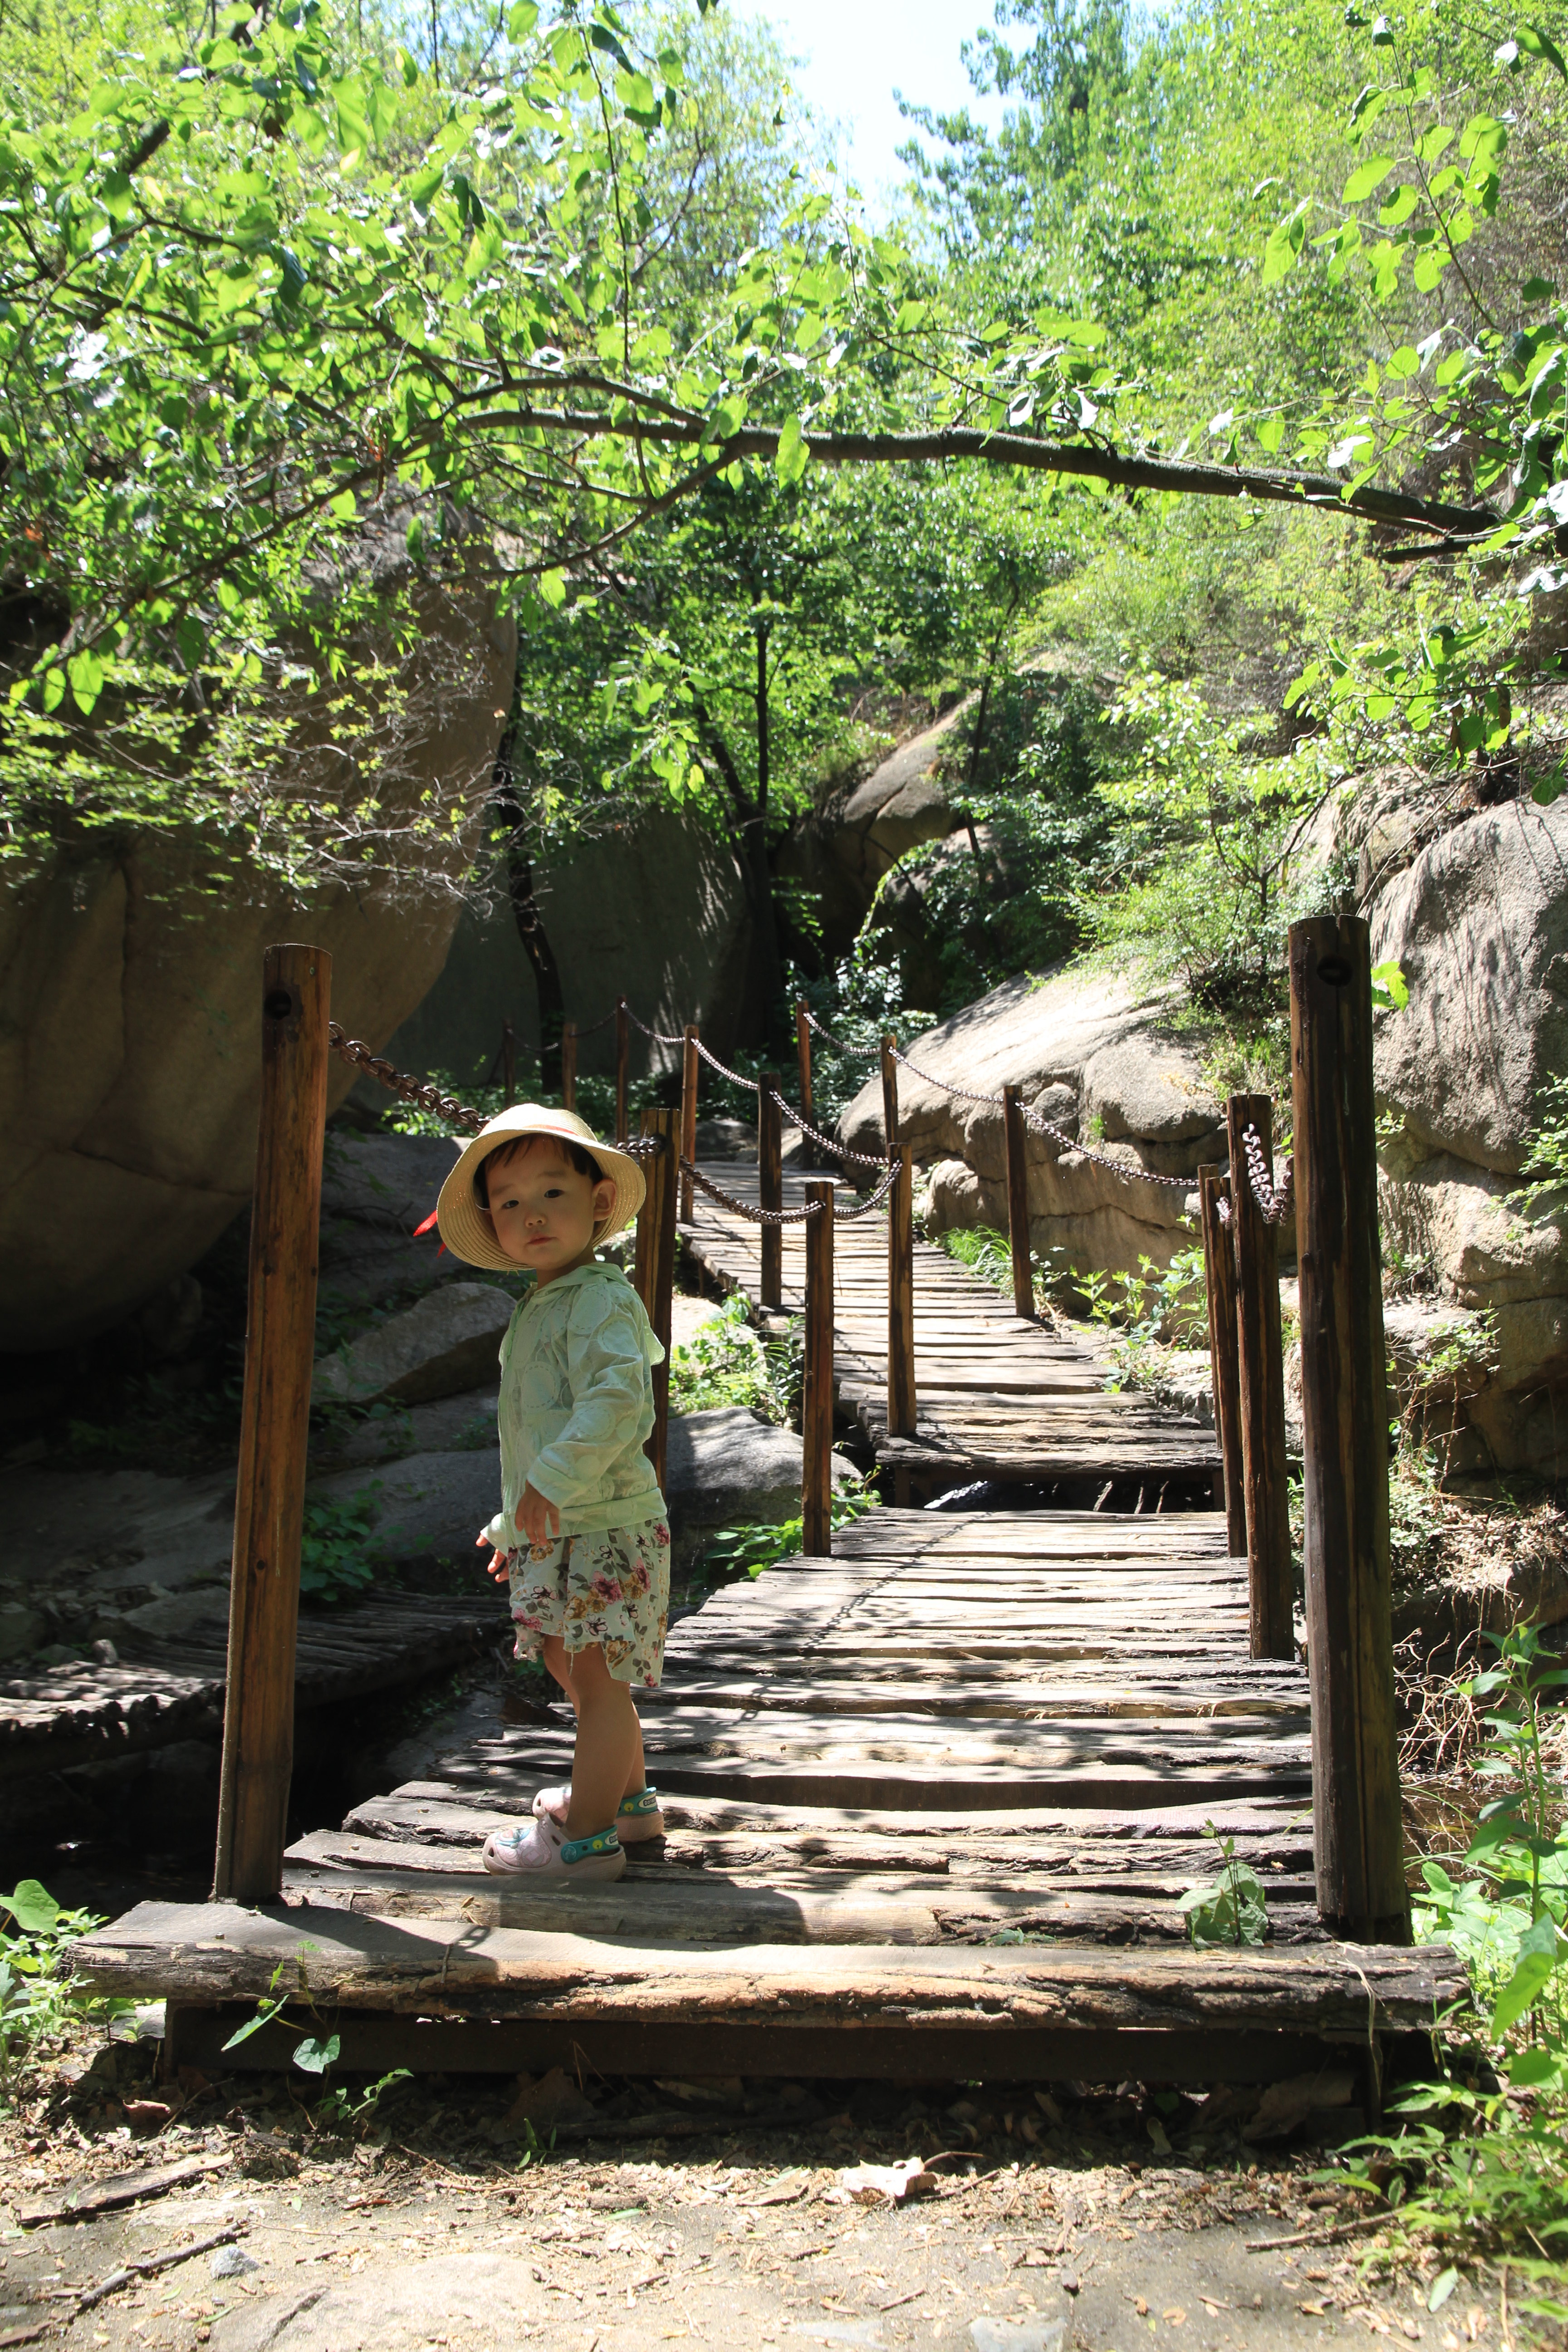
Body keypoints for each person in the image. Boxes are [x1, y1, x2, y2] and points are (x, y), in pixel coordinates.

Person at [434, 1104, 670, 1882]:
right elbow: (540, 1432)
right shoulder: (545, 1302)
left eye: (553, 1194)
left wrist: (546, 1487)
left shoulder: (600, 1297)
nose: (532, 1215)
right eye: (509, 1203)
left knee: (597, 1681)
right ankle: (628, 1804)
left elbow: (619, 1402)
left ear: (599, 1201)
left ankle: (586, 1843)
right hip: (567, 1524)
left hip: (606, 1523)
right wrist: (515, 1524)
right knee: (577, 1672)